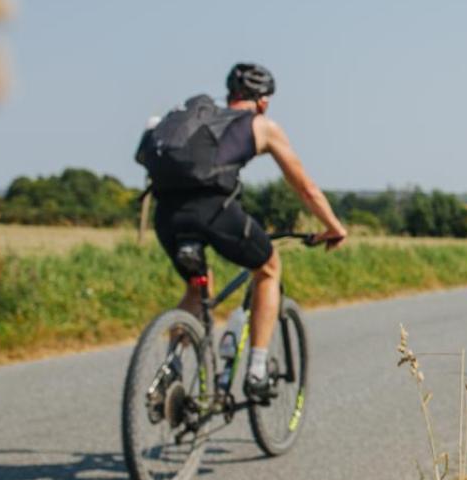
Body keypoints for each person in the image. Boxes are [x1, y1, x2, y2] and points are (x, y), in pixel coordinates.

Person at [144, 63, 347, 398]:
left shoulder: (198, 121)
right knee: (267, 268)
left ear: (230, 94)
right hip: (213, 211)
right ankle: (256, 369)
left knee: (197, 287)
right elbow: (305, 188)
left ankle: (172, 365)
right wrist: (333, 226)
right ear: (263, 101)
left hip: (166, 213)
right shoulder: (261, 126)